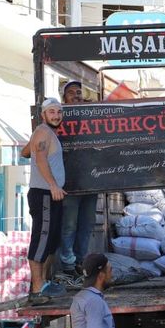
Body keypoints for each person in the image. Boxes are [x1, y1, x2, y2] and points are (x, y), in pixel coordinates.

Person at [26, 98, 68, 305]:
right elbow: (41, 159)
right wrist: (52, 184)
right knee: (41, 240)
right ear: (43, 115)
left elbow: (26, 152)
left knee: (51, 241)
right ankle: (36, 289)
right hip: (44, 193)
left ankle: (42, 284)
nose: (56, 115)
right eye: (51, 112)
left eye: (59, 112)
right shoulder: (43, 132)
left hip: (52, 194)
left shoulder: (46, 134)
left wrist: (28, 148)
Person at [57, 80, 97, 287]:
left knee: (87, 224)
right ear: (64, 97)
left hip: (91, 181)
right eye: (71, 93)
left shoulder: (90, 116)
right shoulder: (59, 118)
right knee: (69, 225)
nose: (76, 95)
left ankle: (81, 262)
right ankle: (68, 264)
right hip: (70, 184)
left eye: (79, 92)